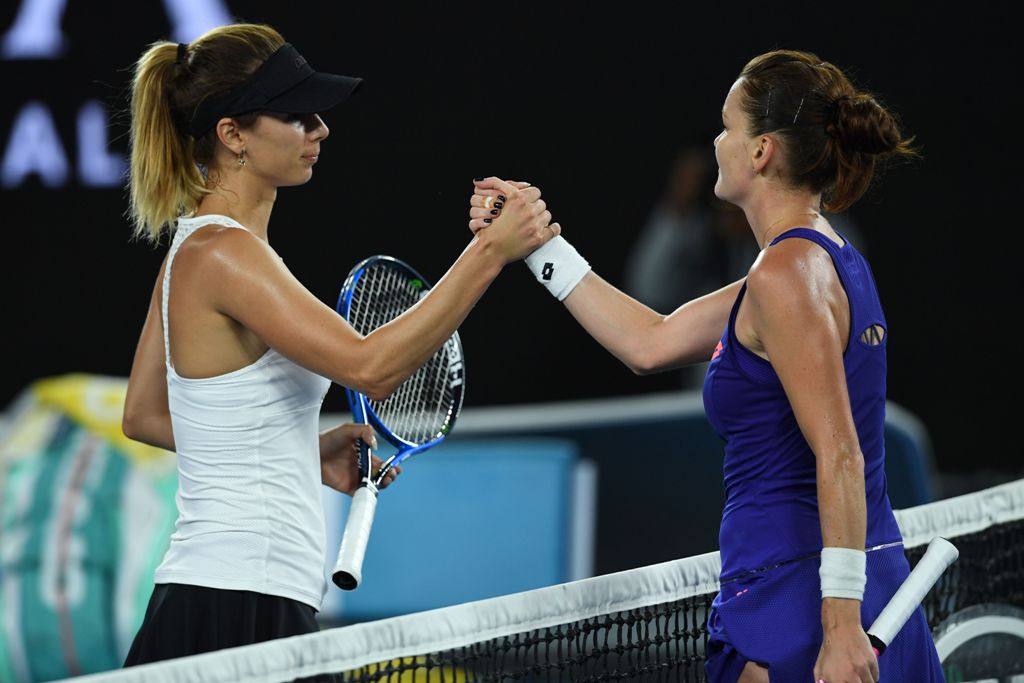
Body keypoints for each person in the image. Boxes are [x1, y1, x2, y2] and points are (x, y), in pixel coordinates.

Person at [471, 50, 939, 683]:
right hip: (841, 584)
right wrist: (537, 247)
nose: (717, 142)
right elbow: (651, 341)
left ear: (761, 152)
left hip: (799, 603)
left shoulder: (784, 276)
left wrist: (838, 628)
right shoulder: (819, 257)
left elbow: (841, 455)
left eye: (727, 128)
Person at [120, 23, 555, 666]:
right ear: (232, 134)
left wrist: (298, 452)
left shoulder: (199, 248)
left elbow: (146, 414)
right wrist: (489, 252)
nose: (320, 129)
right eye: (296, 115)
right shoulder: (225, 254)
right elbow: (370, 367)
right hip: (241, 604)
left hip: (224, 595)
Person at [623, 144, 868, 388]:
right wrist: (676, 211)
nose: (727, 204)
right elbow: (649, 288)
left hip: (786, 407)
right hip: (711, 410)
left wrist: (766, 223)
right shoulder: (702, 238)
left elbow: (840, 274)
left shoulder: (815, 239)